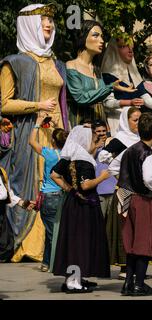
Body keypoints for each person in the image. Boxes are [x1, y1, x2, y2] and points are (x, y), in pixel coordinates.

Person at [0, 4, 70, 263]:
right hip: (31, 132)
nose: (49, 25)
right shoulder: (15, 62)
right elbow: (3, 103)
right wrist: (37, 105)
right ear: (29, 25)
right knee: (36, 183)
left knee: (59, 182)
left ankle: (57, 241)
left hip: (58, 131)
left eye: (51, 20)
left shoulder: (58, 63)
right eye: (43, 20)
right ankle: (30, 244)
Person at [51, 126, 111, 293]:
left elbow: (54, 174)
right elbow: (85, 185)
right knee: (80, 243)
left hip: (74, 203)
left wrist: (70, 190)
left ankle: (74, 278)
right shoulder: (83, 160)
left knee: (74, 242)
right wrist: (103, 177)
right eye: (92, 140)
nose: (94, 143)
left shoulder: (71, 156)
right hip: (84, 205)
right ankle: (73, 283)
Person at [116, 112, 152, 296]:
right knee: (143, 241)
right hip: (141, 199)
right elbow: (149, 178)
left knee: (131, 240)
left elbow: (113, 167)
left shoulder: (129, 149)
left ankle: (128, 283)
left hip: (124, 195)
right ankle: (139, 284)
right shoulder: (148, 154)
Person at [65, 20, 135, 127]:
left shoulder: (96, 68)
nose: (102, 41)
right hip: (81, 122)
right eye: (95, 36)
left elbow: (103, 99)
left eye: (102, 37)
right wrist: (111, 87)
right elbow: (81, 98)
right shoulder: (71, 66)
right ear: (83, 37)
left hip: (100, 122)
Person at [98, 107, 141, 279]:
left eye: (139, 119)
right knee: (125, 227)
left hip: (139, 189)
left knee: (138, 228)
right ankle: (124, 267)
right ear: (126, 120)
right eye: (135, 120)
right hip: (124, 189)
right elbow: (103, 156)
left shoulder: (139, 138)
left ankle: (137, 265)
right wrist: (119, 168)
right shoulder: (120, 139)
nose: (138, 123)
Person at [28, 113, 68, 272]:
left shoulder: (50, 153)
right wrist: (57, 125)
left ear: (52, 141)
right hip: (63, 196)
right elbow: (65, 139)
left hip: (49, 197)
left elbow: (32, 142)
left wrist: (37, 123)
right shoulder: (67, 154)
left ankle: (53, 263)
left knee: (52, 233)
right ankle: (46, 262)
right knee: (54, 231)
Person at [0, 161, 36, 262]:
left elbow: (8, 194)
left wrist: (23, 204)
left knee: (7, 244)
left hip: (1, 213)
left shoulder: (2, 171)